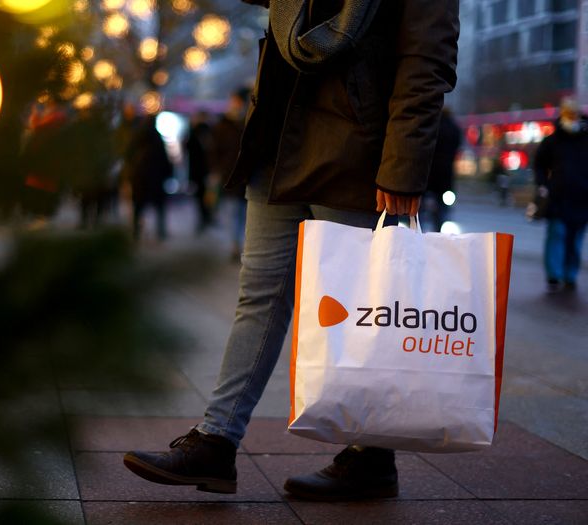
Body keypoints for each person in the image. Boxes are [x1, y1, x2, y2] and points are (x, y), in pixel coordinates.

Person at [124, 0, 458, 501]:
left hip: (355, 154)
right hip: (276, 145)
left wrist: (403, 167)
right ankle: (216, 441)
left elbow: (427, 61)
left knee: (361, 312)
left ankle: (371, 456)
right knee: (258, 298)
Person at [534, 96, 588, 292]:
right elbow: (539, 164)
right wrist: (543, 185)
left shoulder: (583, 140)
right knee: (557, 235)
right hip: (558, 197)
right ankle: (555, 276)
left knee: (575, 239)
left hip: (582, 199)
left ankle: (569, 275)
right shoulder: (552, 141)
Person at [209, 87, 250, 261]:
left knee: (243, 213)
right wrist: (215, 172)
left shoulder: (248, 123)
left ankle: (240, 245)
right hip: (229, 176)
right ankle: (235, 246)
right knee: (232, 212)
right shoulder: (222, 126)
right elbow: (214, 152)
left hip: (247, 177)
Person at [121, 113, 173, 241]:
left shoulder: (136, 137)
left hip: (139, 176)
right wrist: (168, 173)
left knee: (138, 205)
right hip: (155, 176)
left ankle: (136, 232)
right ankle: (160, 231)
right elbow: (164, 158)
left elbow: (127, 155)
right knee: (159, 205)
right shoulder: (157, 138)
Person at [424, 107, 462, 231]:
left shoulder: (431, 126)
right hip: (446, 174)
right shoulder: (454, 128)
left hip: (428, 173)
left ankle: (417, 233)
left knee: (421, 207)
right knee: (442, 208)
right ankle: (438, 231)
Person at [185, 110, 213, 234]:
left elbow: (186, 146)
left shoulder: (197, 131)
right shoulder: (204, 131)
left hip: (200, 171)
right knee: (204, 196)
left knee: (202, 196)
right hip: (204, 170)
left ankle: (205, 218)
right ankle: (206, 217)